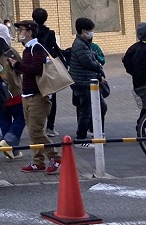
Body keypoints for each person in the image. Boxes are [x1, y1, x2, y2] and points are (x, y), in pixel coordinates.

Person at [11, 19, 57, 174]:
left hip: (38, 96)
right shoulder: (27, 49)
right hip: (28, 95)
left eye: (21, 30)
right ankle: (38, 162)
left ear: (29, 32)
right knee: (32, 132)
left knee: (36, 131)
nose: (19, 33)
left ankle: (56, 158)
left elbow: (36, 69)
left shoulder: (36, 48)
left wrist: (17, 65)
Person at [0, 22, 24, 159]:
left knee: (4, 120)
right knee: (21, 118)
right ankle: (8, 143)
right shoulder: (10, 52)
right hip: (13, 92)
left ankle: (12, 150)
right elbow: (20, 68)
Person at [69, 17, 106, 147]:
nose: (92, 33)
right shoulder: (80, 45)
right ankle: (81, 139)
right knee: (86, 111)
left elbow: (92, 58)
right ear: (84, 31)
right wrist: (99, 68)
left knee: (101, 106)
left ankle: (95, 131)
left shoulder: (85, 43)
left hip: (87, 81)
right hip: (82, 82)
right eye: (90, 30)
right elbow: (88, 62)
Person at [32, 8, 62, 137]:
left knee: (35, 96)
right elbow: (54, 49)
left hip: (34, 67)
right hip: (48, 67)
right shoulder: (50, 33)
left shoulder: (31, 33)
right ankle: (50, 127)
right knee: (51, 97)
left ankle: (36, 125)